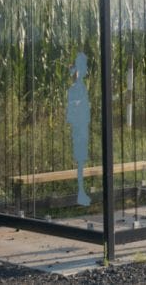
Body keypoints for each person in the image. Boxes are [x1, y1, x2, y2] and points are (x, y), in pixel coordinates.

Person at [67, 53, 91, 206]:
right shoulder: (75, 88)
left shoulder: (80, 87)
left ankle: (82, 192)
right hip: (79, 129)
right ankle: (80, 192)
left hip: (82, 127)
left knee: (82, 160)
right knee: (80, 161)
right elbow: (73, 109)